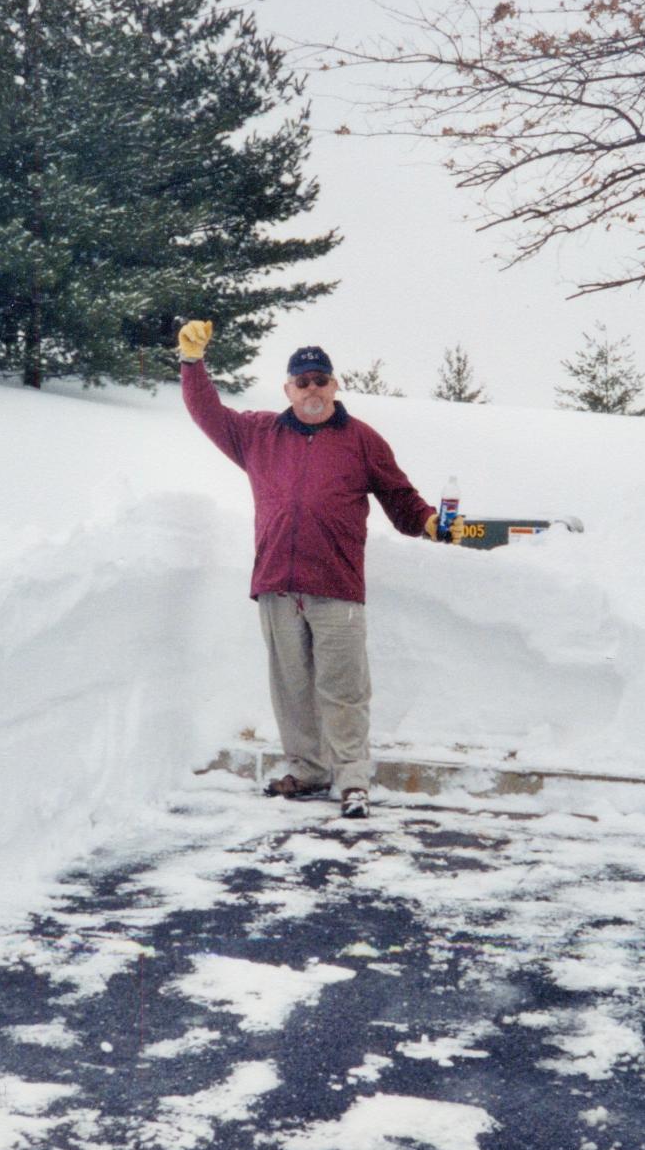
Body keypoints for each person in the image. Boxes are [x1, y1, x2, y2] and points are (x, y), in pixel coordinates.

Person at [177, 319, 454, 820]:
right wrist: (192, 364)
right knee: (292, 689)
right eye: (301, 381)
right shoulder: (258, 434)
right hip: (278, 587)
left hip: (337, 588)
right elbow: (207, 412)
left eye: (320, 379)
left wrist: (430, 522)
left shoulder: (362, 439)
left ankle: (351, 780)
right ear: (287, 388)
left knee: (344, 691)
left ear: (335, 384)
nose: (311, 388)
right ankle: (307, 771)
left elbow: (400, 498)